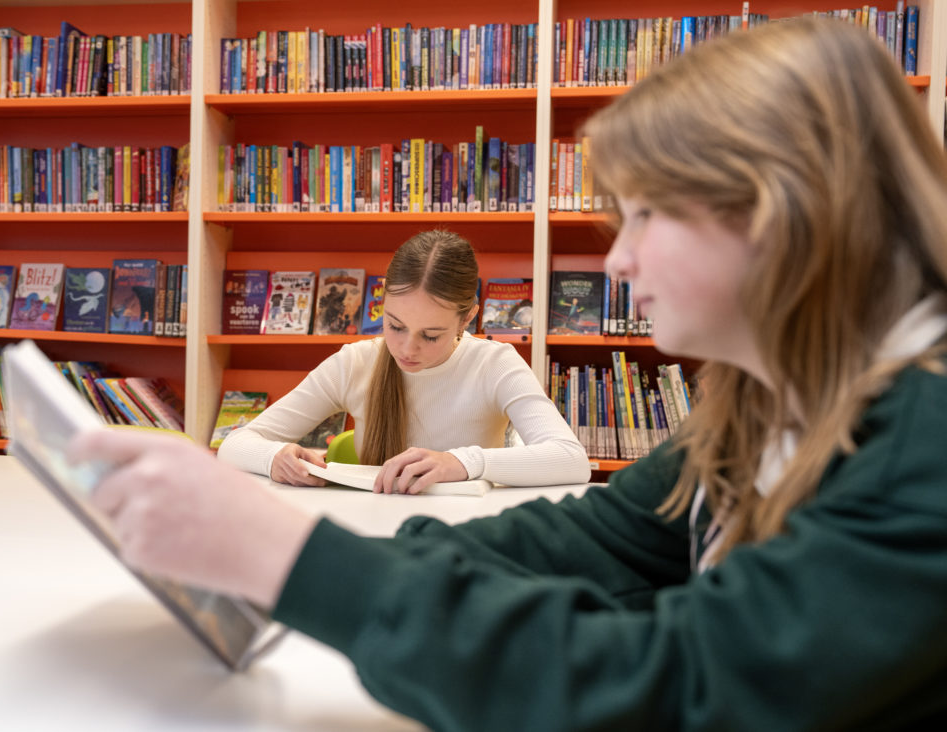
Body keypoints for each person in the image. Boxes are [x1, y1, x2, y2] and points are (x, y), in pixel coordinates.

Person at [68, 18, 947, 730]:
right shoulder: (769, 400)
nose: (619, 263)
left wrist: (293, 562)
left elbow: (674, 688)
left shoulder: (927, 443)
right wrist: (319, 576)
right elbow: (600, 542)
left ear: (786, 214)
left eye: (647, 215)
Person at [217, 229, 591, 492]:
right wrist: (274, 457)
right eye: (395, 325)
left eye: (431, 335)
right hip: (373, 535)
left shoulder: (494, 364)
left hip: (463, 540)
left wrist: (463, 463)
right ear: (382, 302)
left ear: (467, 318)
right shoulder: (356, 362)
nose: (407, 349)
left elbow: (571, 460)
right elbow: (235, 445)